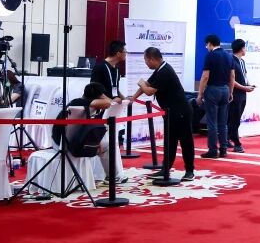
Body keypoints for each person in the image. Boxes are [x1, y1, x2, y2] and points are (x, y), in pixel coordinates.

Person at [132, 47, 196, 181]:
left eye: (146, 60)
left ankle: (190, 171)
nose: (146, 63)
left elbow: (149, 91)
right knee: (170, 142)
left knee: (186, 142)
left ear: (152, 59)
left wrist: (141, 83)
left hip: (181, 111)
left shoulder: (165, 71)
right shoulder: (159, 69)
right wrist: (133, 98)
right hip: (170, 112)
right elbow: (147, 84)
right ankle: (165, 169)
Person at [52, 82, 124, 184]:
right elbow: (108, 103)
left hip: (70, 140)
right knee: (107, 145)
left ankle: (112, 177)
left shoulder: (81, 104)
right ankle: (113, 177)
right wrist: (109, 99)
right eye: (102, 95)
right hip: (63, 143)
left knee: (105, 143)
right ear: (100, 96)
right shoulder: (77, 103)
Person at [196, 34, 235, 158]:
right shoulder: (229, 56)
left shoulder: (210, 56)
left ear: (209, 43)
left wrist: (200, 94)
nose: (207, 47)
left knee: (212, 122)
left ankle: (213, 150)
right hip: (225, 90)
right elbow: (232, 76)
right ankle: (223, 149)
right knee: (223, 123)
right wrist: (231, 92)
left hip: (213, 90)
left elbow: (205, 76)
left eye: (206, 45)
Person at [228, 39, 256, 153]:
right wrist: (244, 87)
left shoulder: (242, 62)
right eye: (244, 47)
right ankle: (237, 143)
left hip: (243, 94)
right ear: (241, 49)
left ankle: (227, 139)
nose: (245, 50)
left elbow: (244, 76)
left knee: (236, 118)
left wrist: (248, 85)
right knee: (234, 119)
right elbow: (231, 80)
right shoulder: (231, 60)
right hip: (234, 94)